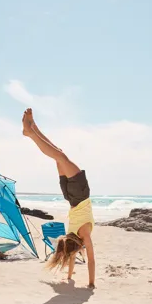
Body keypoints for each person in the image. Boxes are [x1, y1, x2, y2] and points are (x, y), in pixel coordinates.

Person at [22, 108, 96, 288]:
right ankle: (33, 128)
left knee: (60, 156)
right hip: (69, 197)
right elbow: (70, 257)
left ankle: (31, 133)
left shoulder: (84, 234)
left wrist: (91, 284)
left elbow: (92, 262)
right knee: (59, 155)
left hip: (79, 194)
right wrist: (69, 276)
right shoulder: (70, 233)